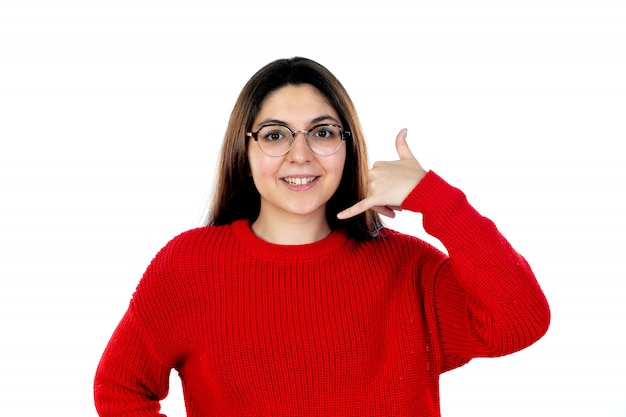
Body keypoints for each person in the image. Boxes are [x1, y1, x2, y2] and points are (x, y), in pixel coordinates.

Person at [94, 57, 550, 416]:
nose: (300, 154)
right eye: (275, 135)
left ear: (347, 147)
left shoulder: (408, 269)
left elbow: (521, 320)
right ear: (245, 150)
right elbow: (119, 389)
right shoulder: (189, 267)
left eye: (323, 132)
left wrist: (436, 199)